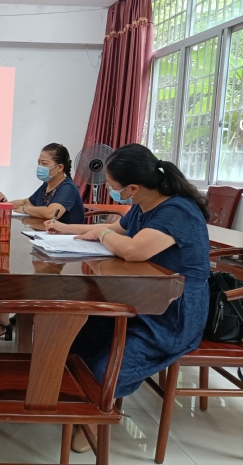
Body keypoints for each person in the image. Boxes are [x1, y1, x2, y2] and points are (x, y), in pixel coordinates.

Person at [44, 143, 210, 452]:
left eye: (114, 185)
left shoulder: (177, 211)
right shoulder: (144, 204)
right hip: (138, 301)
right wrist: (64, 229)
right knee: (79, 336)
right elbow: (114, 228)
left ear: (133, 187)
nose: (112, 190)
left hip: (171, 315)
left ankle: (97, 414)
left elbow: (133, 250)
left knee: (104, 369)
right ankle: (77, 396)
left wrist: (102, 234)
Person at [0, 143, 84, 341]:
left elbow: (50, 212)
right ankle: (10, 318)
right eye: (39, 162)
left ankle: (7, 321)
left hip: (64, 253)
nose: (40, 167)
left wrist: (24, 209)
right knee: (6, 266)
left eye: (45, 163)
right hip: (45, 243)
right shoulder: (49, 184)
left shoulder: (67, 187)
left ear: (59, 167)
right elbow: (27, 201)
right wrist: (4, 204)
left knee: (13, 271)